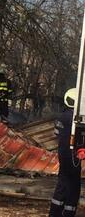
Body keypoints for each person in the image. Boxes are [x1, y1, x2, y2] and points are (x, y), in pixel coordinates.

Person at [49, 88, 81, 217]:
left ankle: (55, 212)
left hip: (63, 153)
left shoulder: (62, 116)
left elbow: (56, 134)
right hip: (72, 156)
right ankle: (67, 213)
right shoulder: (75, 119)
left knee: (63, 183)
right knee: (73, 185)